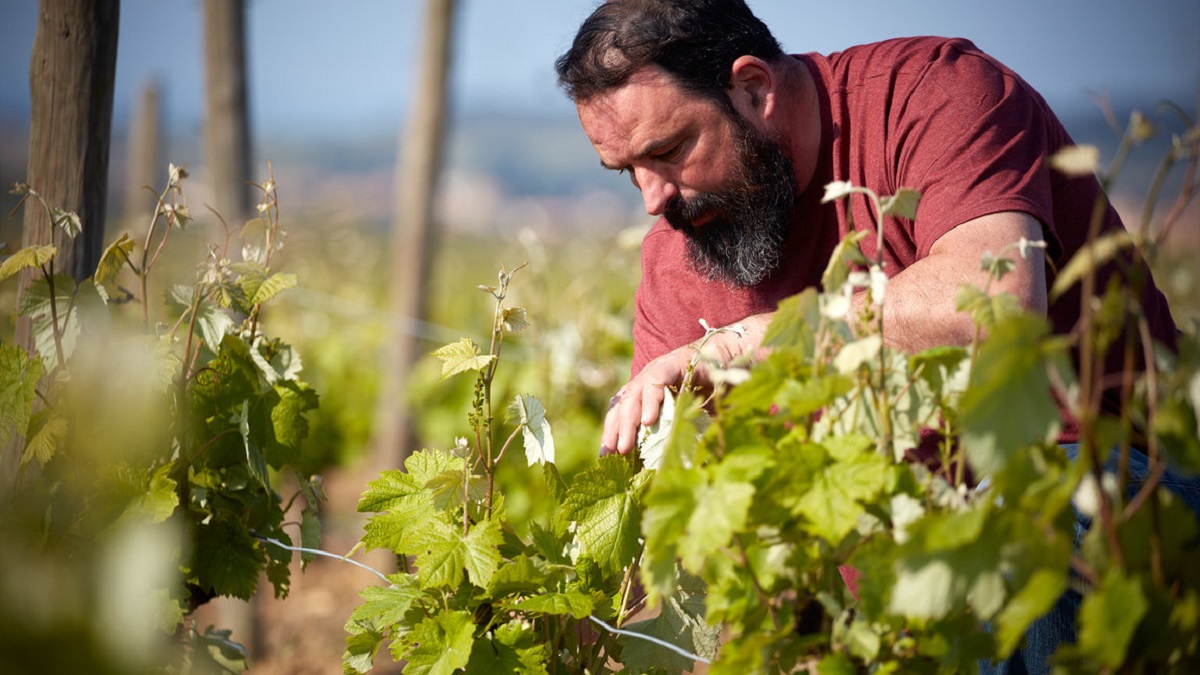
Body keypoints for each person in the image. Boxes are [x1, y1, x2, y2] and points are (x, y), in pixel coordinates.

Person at [555, 0, 1192, 673]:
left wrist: (749, 341)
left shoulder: (933, 95)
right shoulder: (675, 260)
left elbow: (993, 307)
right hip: (884, 614)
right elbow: (677, 534)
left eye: (667, 150)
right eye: (627, 171)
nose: (652, 199)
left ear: (754, 89)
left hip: (1117, 498)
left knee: (1035, 528)